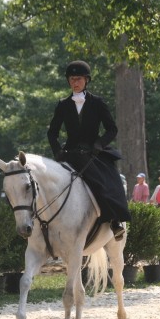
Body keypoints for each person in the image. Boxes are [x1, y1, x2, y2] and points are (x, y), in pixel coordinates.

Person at [47, 60, 130, 240]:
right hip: (70, 152)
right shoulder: (63, 104)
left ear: (86, 80)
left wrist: (99, 144)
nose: (75, 82)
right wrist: (57, 151)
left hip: (94, 151)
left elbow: (112, 128)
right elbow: (52, 133)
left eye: (78, 79)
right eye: (71, 79)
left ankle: (115, 221)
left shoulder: (97, 103)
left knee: (109, 181)